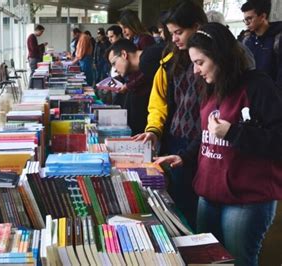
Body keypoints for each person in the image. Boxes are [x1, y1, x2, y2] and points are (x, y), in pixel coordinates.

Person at [155, 22, 282, 266]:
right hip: (210, 193)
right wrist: (186, 156)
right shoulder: (211, 88)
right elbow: (206, 133)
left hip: (246, 198)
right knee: (208, 260)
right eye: (193, 63)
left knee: (239, 260)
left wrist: (234, 133)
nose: (195, 71)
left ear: (220, 57)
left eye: (200, 62)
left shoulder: (258, 86)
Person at [133, 0, 208, 230]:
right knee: (180, 202)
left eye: (179, 32)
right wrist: (153, 130)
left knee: (203, 204)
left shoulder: (215, 63)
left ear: (197, 27)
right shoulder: (168, 63)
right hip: (176, 141)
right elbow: (158, 104)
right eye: (171, 33)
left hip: (208, 143)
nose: (174, 38)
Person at [107, 39, 163, 135]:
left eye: (114, 63)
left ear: (124, 54)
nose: (115, 70)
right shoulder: (147, 58)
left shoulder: (147, 61)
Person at [241, 0, 282, 88]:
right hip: (250, 94)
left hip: (273, 96)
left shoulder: (278, 39)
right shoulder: (246, 40)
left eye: (250, 18)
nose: (247, 23)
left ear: (263, 16)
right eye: (245, 19)